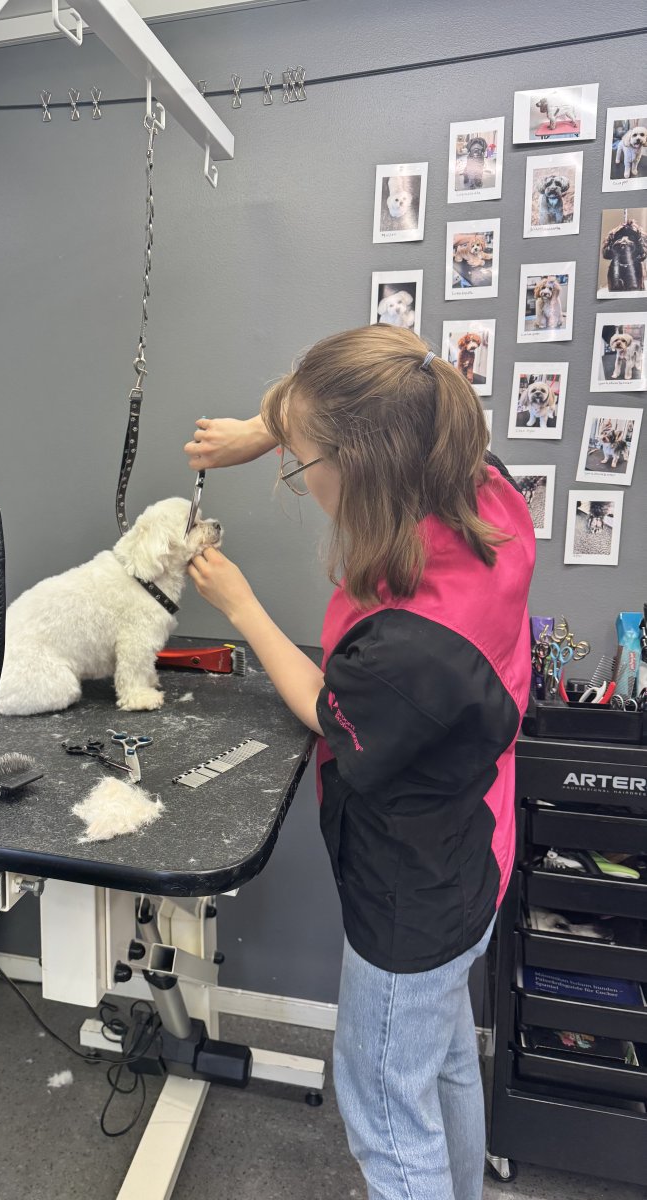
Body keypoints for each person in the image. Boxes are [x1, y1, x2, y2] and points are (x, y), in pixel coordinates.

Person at [184, 324, 535, 1200]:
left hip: (413, 896)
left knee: (383, 1107)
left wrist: (240, 605)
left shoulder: (409, 651)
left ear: (361, 470)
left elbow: (322, 707)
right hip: (482, 850)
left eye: (301, 462)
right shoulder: (479, 487)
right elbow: (375, 398)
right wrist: (263, 429)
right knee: (444, 1062)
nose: (295, 475)